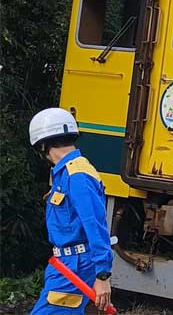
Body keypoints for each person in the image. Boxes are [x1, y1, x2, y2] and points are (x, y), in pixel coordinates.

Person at [29, 108, 114, 314]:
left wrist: (103, 276)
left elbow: (95, 225)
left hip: (76, 265)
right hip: (65, 264)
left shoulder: (77, 176)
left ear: (43, 145)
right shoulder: (65, 173)